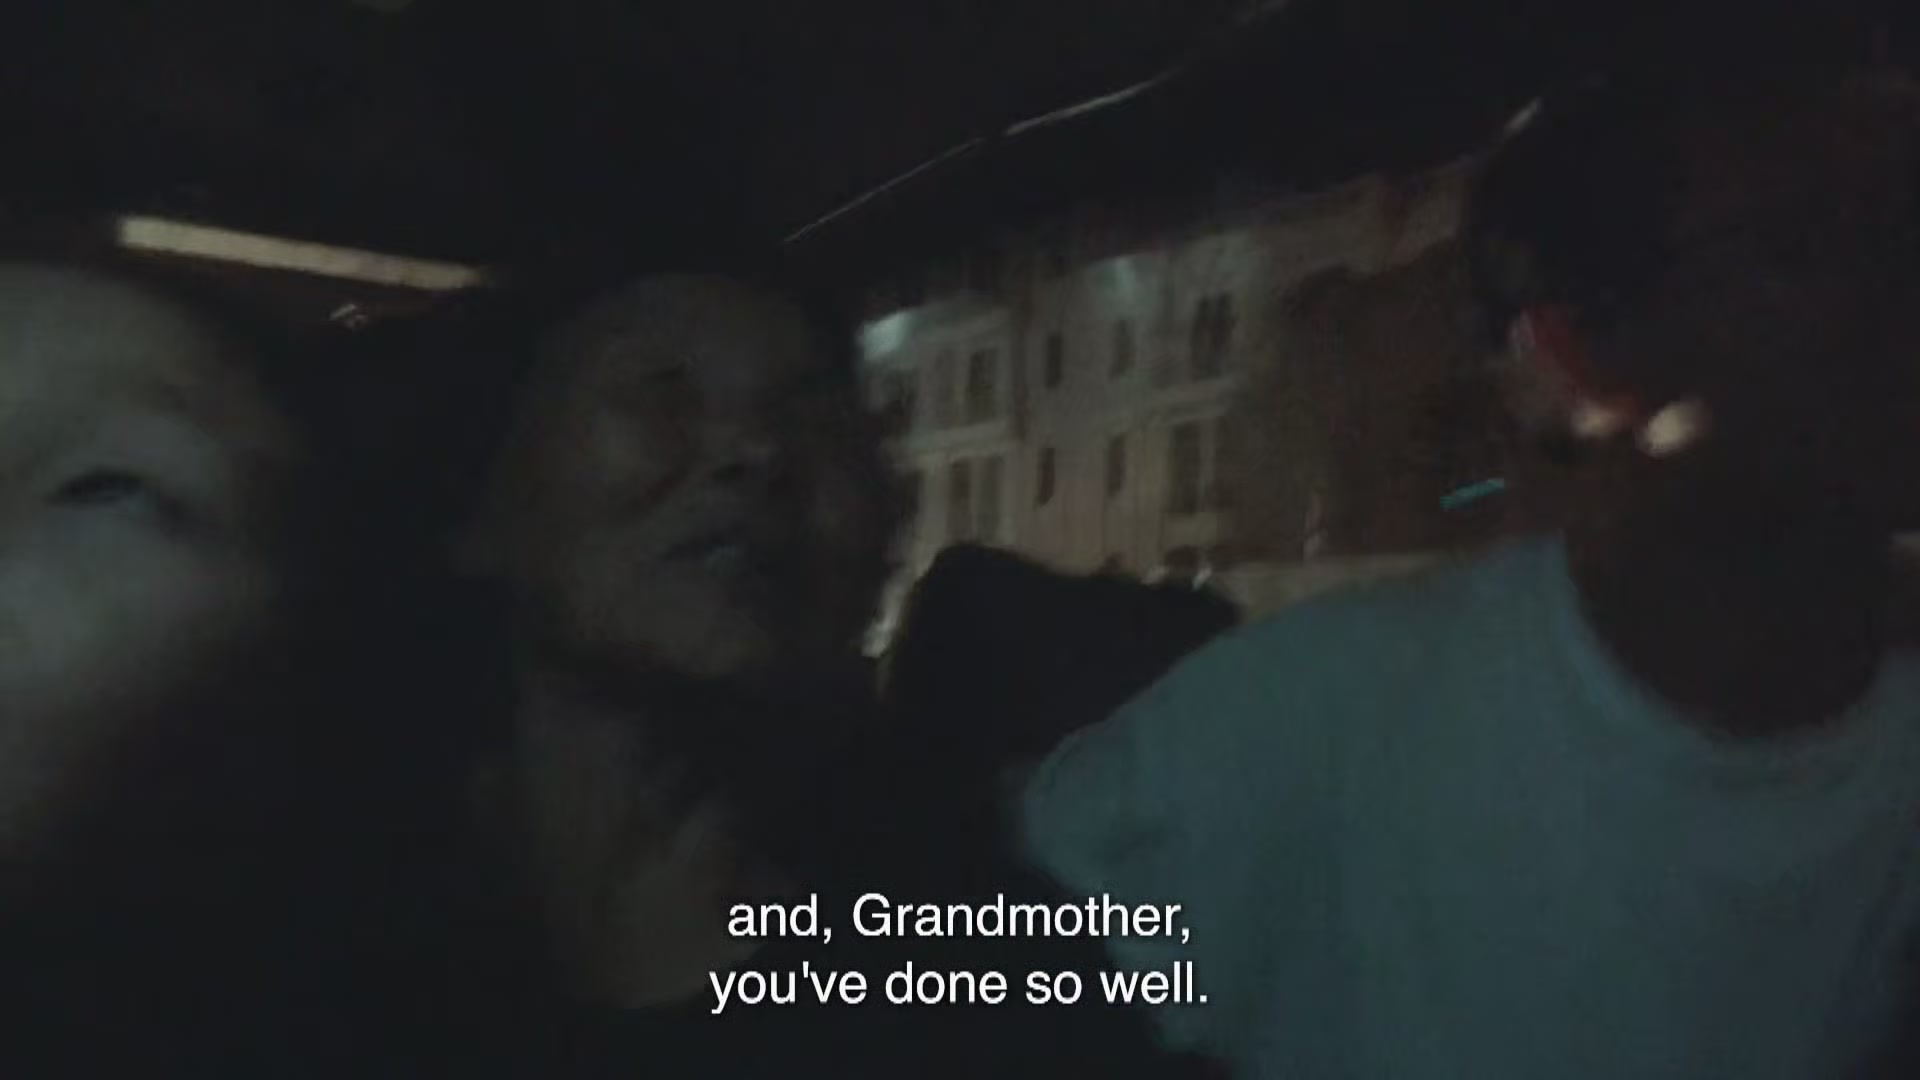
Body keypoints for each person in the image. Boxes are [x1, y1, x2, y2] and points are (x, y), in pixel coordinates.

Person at [1015, 40, 1920, 1080]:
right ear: (1585, 355)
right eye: (1813, 240)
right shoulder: (1317, 726)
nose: (1897, 292)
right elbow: (935, 969)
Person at [448, 261, 1206, 1078]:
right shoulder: (371, 914)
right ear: (485, 502)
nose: (758, 450)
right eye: (661, 392)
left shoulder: (994, 981)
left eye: (815, 418)